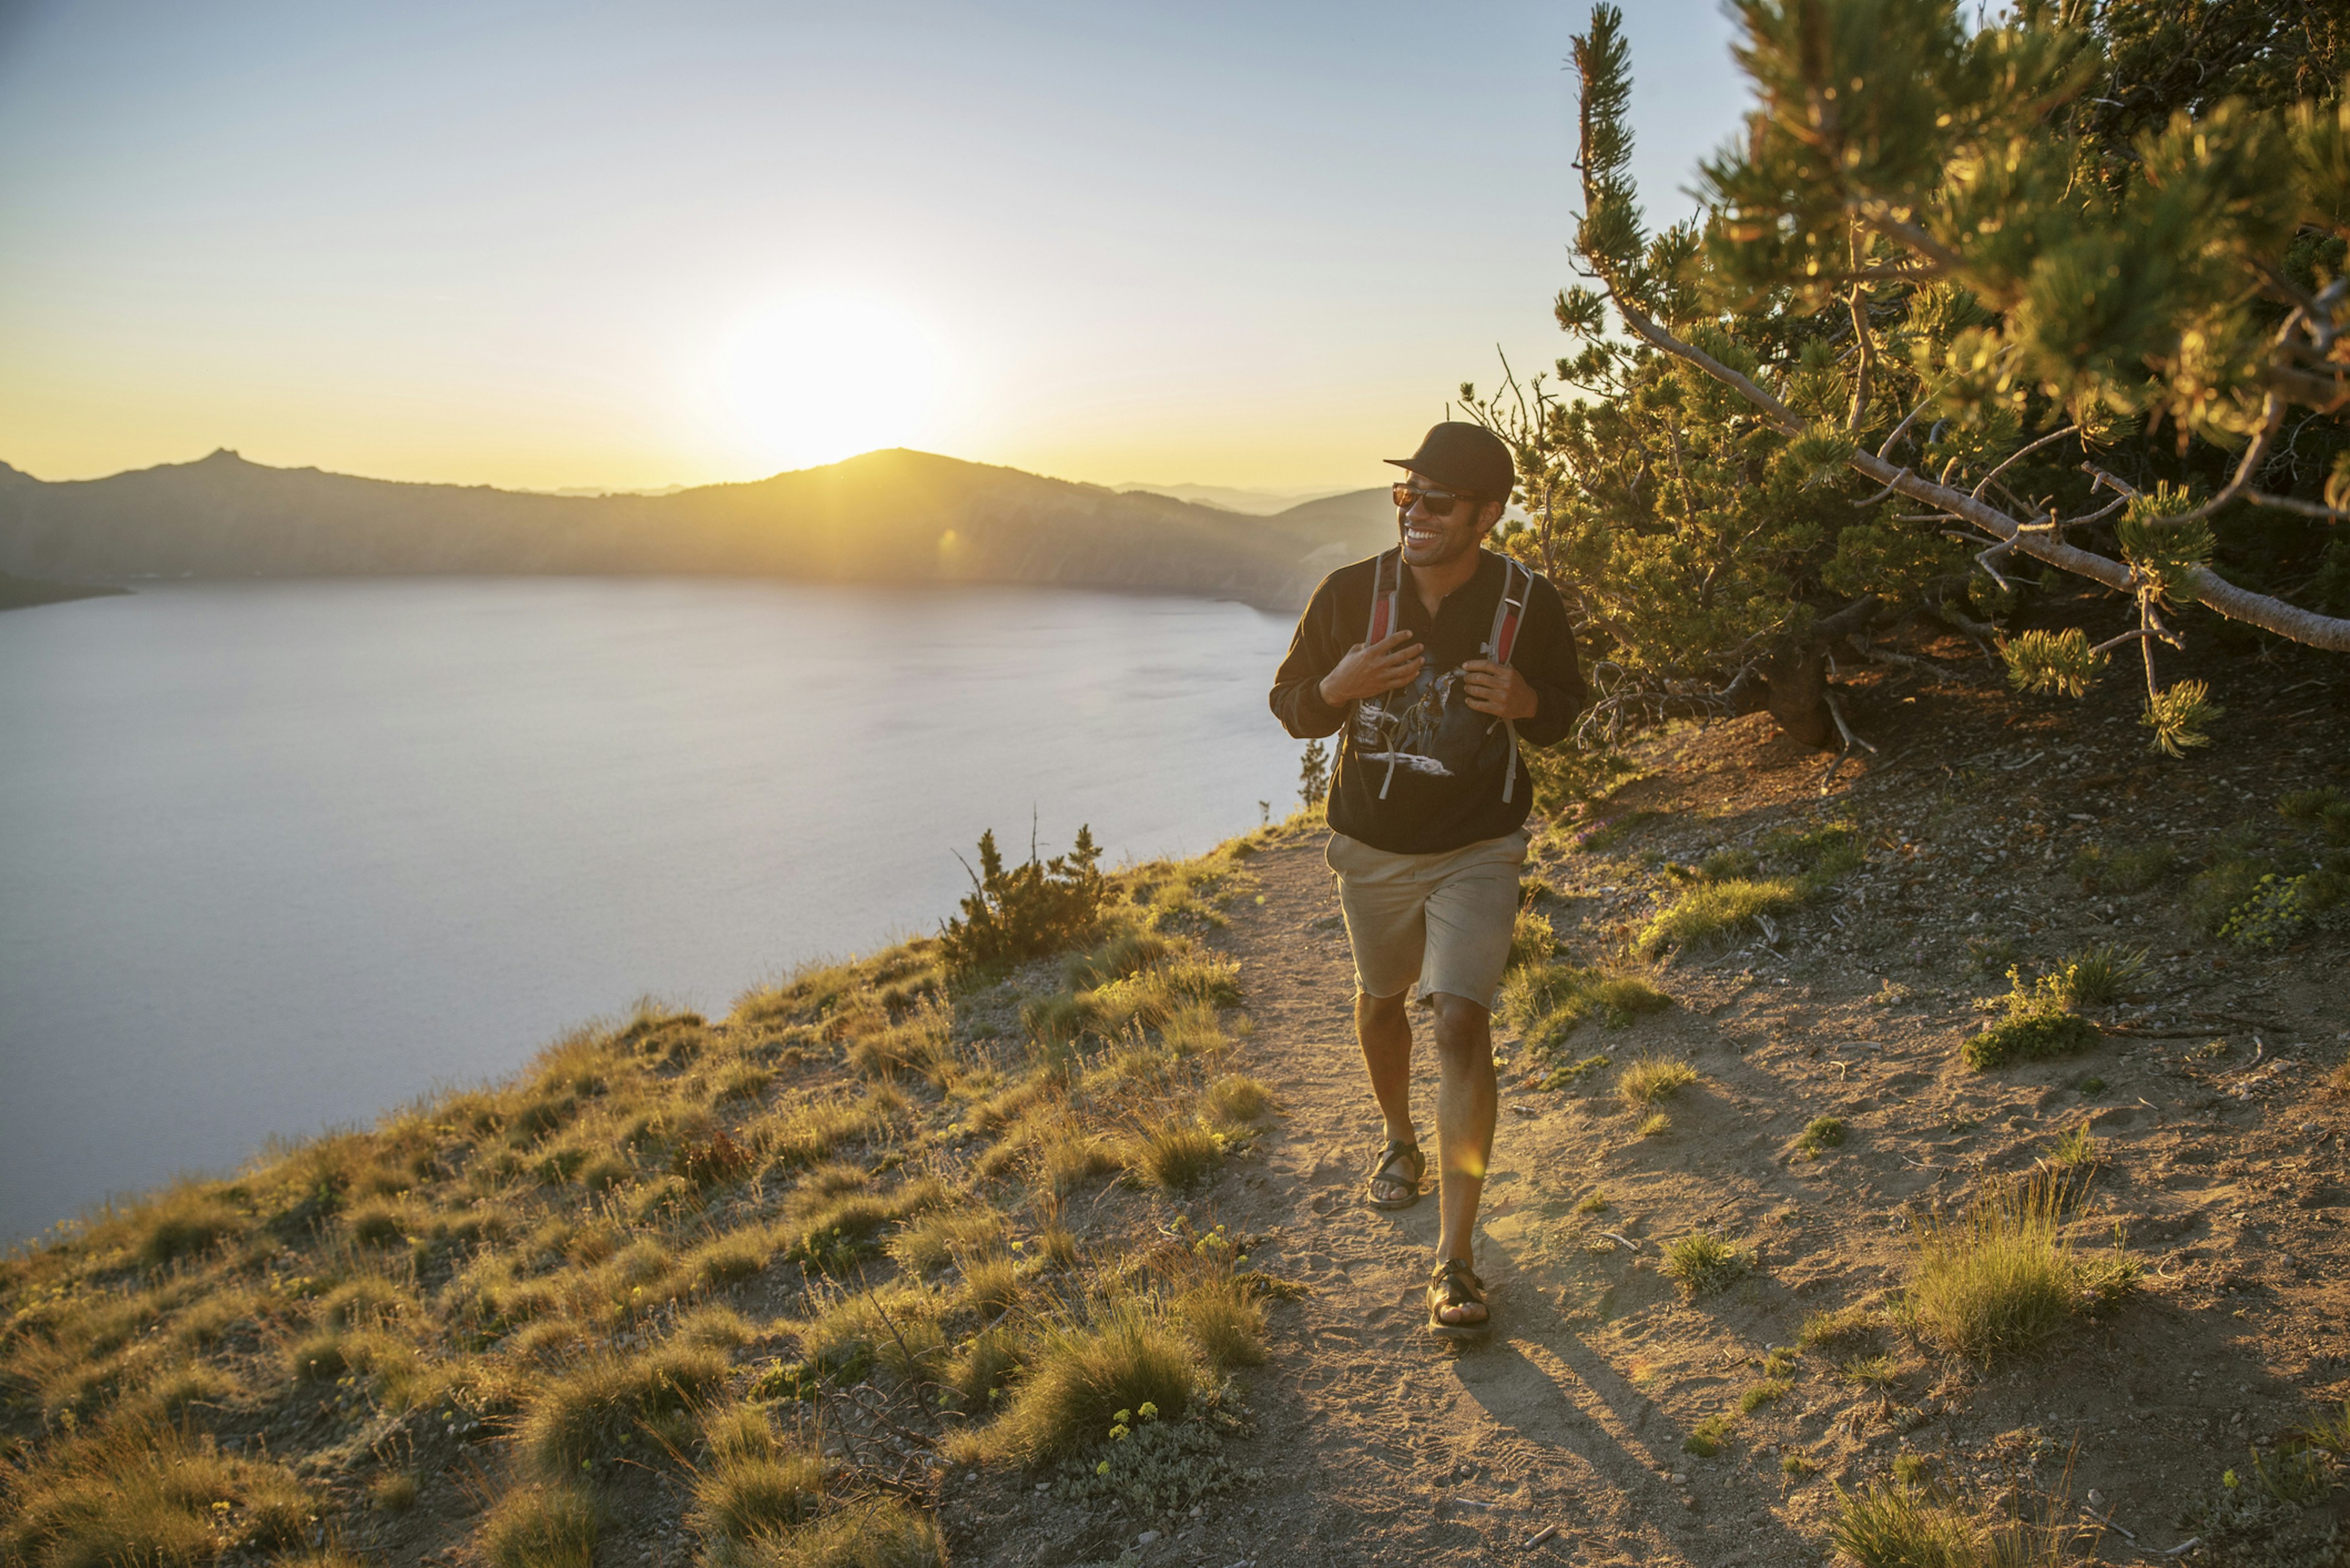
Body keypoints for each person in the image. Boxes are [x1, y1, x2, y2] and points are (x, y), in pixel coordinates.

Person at [1268, 420, 1585, 1340]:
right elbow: (1291, 707)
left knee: (1458, 1019)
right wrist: (1339, 684)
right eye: (1406, 495)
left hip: (1479, 846)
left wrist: (1527, 702)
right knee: (1381, 1002)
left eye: (1437, 501)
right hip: (1369, 848)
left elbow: (1566, 710)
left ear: (1487, 514)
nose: (1414, 512)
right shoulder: (1346, 595)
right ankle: (1400, 1139)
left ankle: (1455, 1260)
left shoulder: (1528, 603)